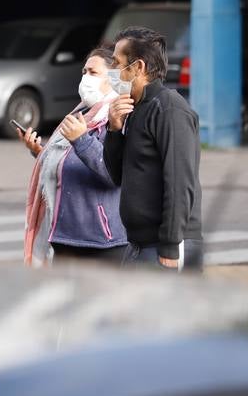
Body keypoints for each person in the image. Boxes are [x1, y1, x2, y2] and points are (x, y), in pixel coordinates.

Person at [103, 26, 203, 271]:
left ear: (138, 67)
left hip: (165, 247)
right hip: (138, 245)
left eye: (117, 63)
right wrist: (114, 130)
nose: (112, 71)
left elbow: (180, 181)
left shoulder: (169, 108)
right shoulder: (135, 108)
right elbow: (117, 175)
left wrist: (169, 245)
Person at [21, 46, 127, 266]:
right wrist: (40, 153)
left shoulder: (118, 117)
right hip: (63, 237)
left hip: (100, 241)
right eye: (84, 72)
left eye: (93, 72)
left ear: (114, 78)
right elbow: (72, 162)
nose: (86, 78)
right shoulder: (80, 113)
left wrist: (81, 139)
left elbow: (111, 172)